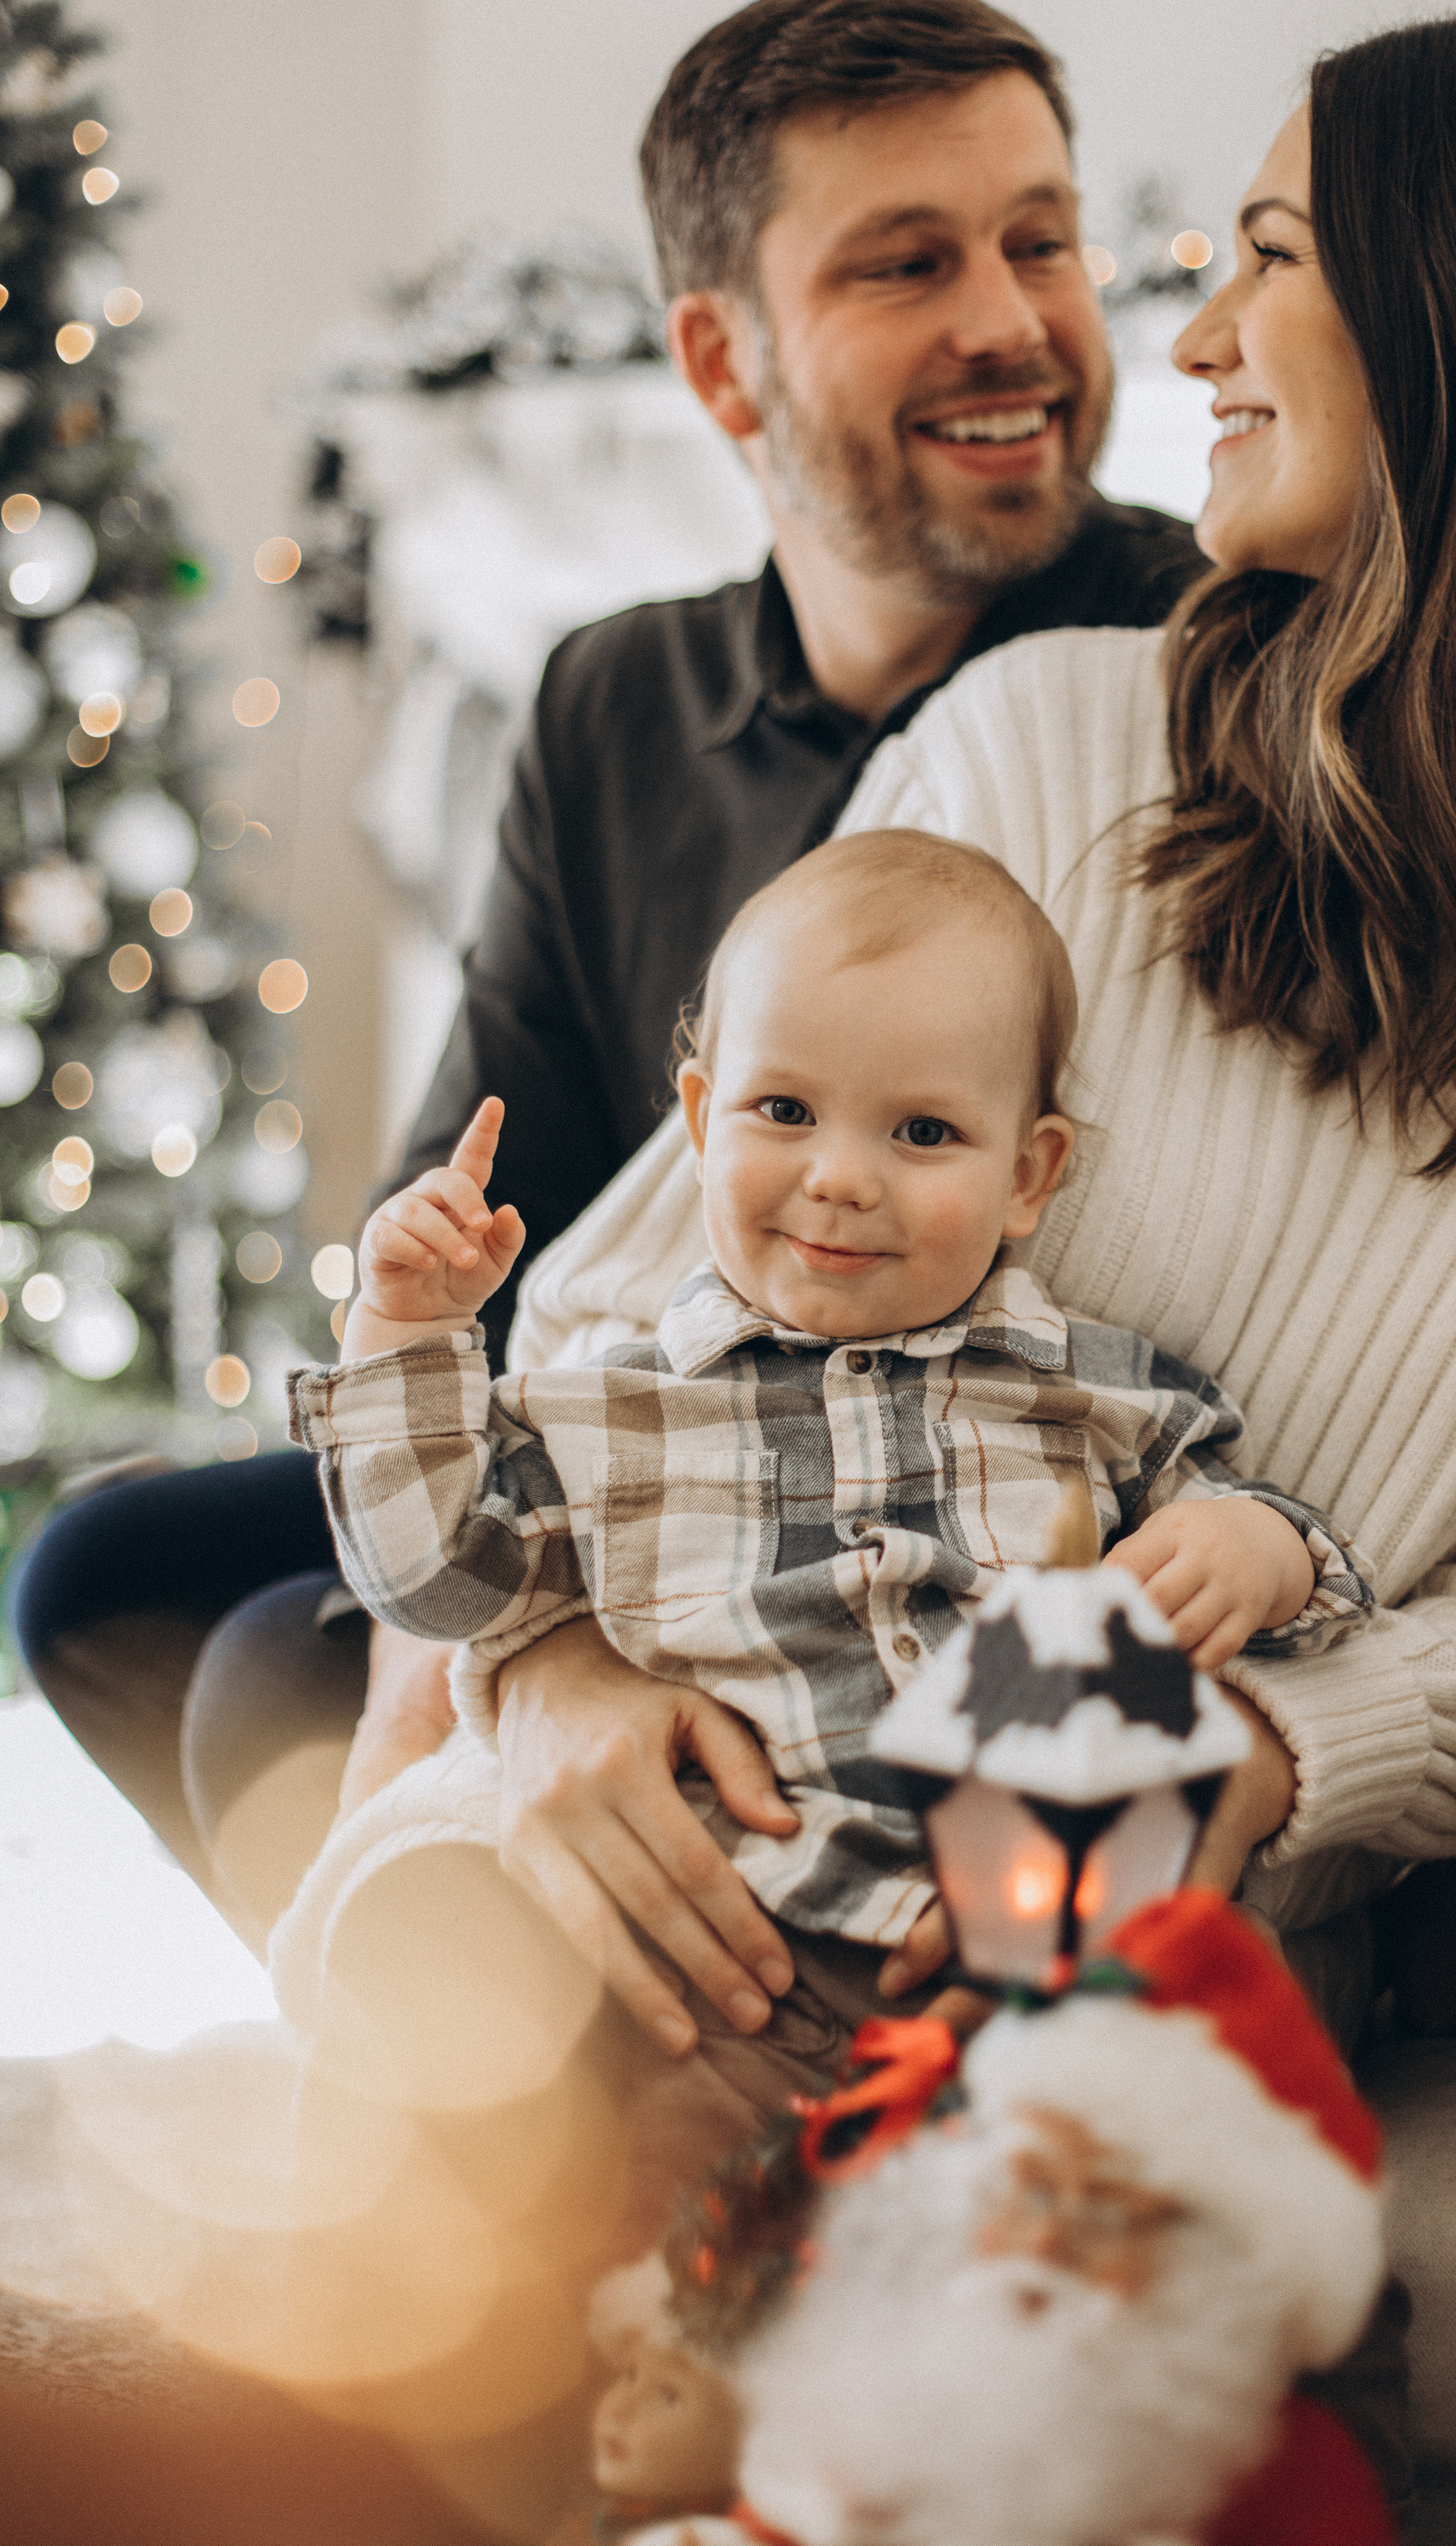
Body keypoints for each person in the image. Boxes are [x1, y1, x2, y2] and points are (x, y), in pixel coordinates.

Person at [477, 3, 1456, 2073]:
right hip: (713, 1787)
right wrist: (539, 1671)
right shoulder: (1052, 739)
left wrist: (1272, 1740)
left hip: (1160, 1933)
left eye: (1270, 256)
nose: (1186, 346)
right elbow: (623, 1287)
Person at [12, 0, 1208, 1945]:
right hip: (624, 1456)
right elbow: (479, 1201)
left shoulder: (1180, 669)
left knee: (261, 1683)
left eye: (1041, 240)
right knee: (96, 1579)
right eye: (908, 265)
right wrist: (535, 1640)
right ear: (723, 366)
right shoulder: (613, 699)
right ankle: (455, 2107)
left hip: (932, 1501)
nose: (1013, 322)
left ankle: (515, 2156)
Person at [287, 832, 1370, 1966]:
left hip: (1011, 1938)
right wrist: (403, 1328)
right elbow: (433, 1581)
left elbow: (1305, 1587)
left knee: (1251, 1996)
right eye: (786, 1112)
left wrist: (1259, 1547)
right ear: (702, 1125)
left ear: (1026, 1176)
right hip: (712, 1929)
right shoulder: (608, 1412)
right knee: (433, 1967)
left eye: (923, 1132)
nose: (842, 1178)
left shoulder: (1102, 1394)